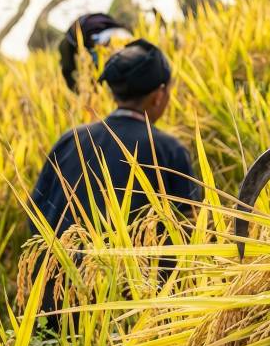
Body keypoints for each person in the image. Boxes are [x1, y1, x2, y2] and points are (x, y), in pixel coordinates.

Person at [28, 39, 202, 316]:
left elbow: (35, 217)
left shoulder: (70, 140)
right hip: (132, 314)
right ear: (159, 95)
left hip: (55, 305)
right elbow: (193, 232)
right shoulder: (168, 151)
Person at [57, 12, 133, 93]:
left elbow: (67, 68)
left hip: (103, 41)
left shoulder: (67, 40)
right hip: (123, 34)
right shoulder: (95, 18)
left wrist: (79, 93)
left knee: (113, 84)